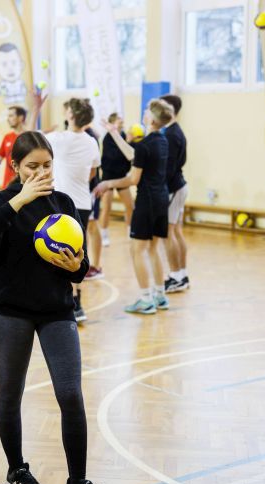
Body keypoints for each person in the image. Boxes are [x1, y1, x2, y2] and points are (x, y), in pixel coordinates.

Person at [0, 131, 110, 484]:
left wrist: (77, 266)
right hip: (11, 311)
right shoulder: (1, 203)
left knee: (70, 394)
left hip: (56, 311)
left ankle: (78, 483)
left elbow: (79, 264)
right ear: (15, 166)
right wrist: (19, 200)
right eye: (32, 167)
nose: (42, 173)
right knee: (11, 393)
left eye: (47, 165)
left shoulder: (63, 203)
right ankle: (16, 470)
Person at [94, 99, 173, 315]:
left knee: (137, 250)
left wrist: (108, 183)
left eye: (147, 111)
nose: (144, 113)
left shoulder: (146, 144)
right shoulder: (161, 141)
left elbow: (132, 179)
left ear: (152, 119)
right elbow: (134, 155)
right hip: (161, 199)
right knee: (153, 249)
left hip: (147, 202)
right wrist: (114, 133)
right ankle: (160, 295)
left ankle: (146, 300)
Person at [38, 97, 100, 321]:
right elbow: (93, 172)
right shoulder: (92, 142)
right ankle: (77, 303)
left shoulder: (59, 139)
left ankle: (68, 301)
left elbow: (30, 137)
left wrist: (37, 108)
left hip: (62, 202)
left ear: (71, 115)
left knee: (58, 250)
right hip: (83, 202)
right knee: (78, 251)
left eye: (66, 110)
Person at [160, 94, 190, 293]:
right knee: (176, 231)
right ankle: (182, 274)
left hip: (173, 188)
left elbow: (168, 168)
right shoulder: (174, 131)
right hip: (179, 186)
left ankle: (176, 275)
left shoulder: (171, 134)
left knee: (168, 232)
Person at [99, 113, 134, 245]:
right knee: (107, 207)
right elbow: (114, 157)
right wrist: (127, 145)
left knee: (130, 206)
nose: (122, 121)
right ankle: (104, 234)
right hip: (108, 177)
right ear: (112, 123)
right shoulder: (107, 138)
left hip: (121, 176)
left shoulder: (124, 135)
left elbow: (130, 155)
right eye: (119, 119)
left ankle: (130, 231)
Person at [0, 106, 28, 190]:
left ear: (20, 118)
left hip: (25, 185)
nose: (8, 119)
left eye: (11, 116)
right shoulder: (7, 137)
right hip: (8, 186)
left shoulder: (28, 137)